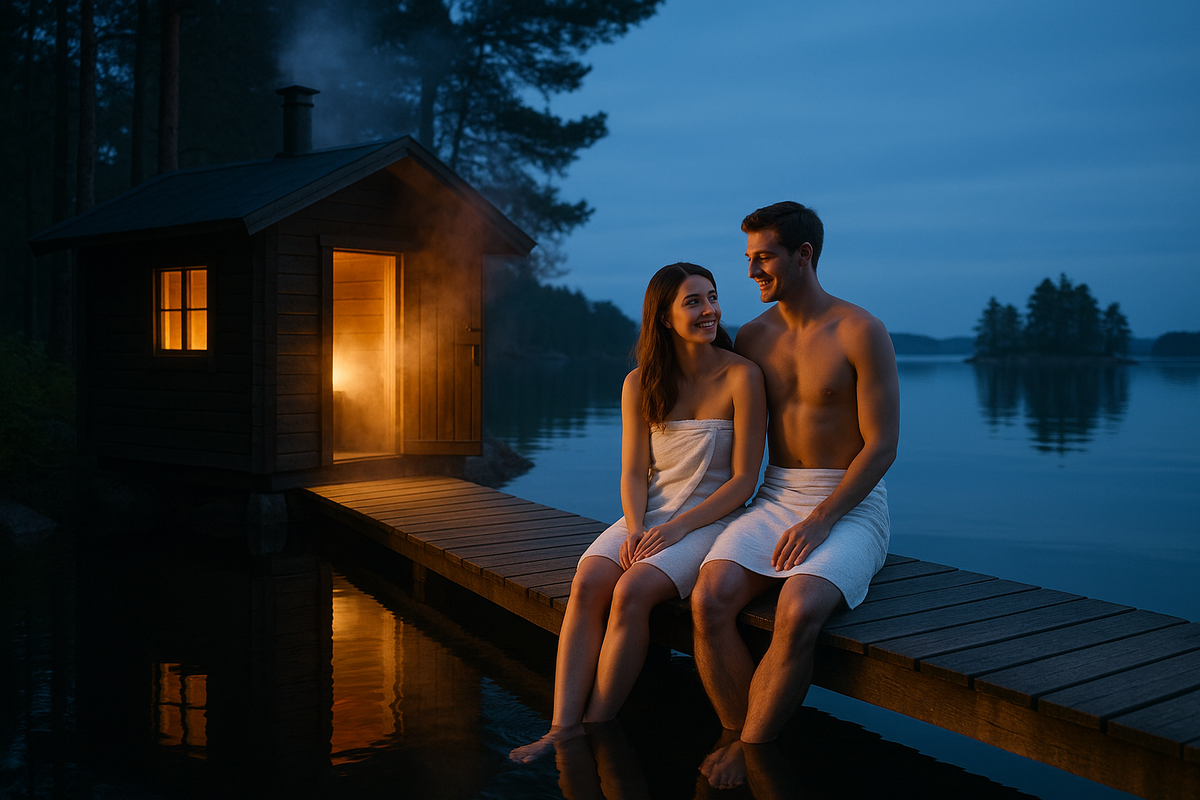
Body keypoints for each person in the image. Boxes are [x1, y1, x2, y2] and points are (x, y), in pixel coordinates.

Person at [510, 263, 767, 763]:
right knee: (587, 581)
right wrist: (635, 528)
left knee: (631, 591)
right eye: (693, 301)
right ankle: (560, 727)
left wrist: (673, 530)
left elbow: (744, 481)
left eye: (711, 297)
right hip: (649, 514)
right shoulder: (640, 383)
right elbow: (633, 473)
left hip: (708, 518)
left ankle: (595, 725)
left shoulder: (742, 375)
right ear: (665, 317)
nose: (709, 310)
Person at [692, 202, 900, 789]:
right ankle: (741, 736)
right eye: (749, 259)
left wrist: (822, 520)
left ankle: (753, 756)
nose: (753, 271)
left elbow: (882, 446)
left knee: (799, 607)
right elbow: (703, 410)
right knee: (709, 599)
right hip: (776, 494)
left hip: (850, 501)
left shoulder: (861, 331)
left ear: (803, 254)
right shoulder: (754, 338)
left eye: (764, 257)